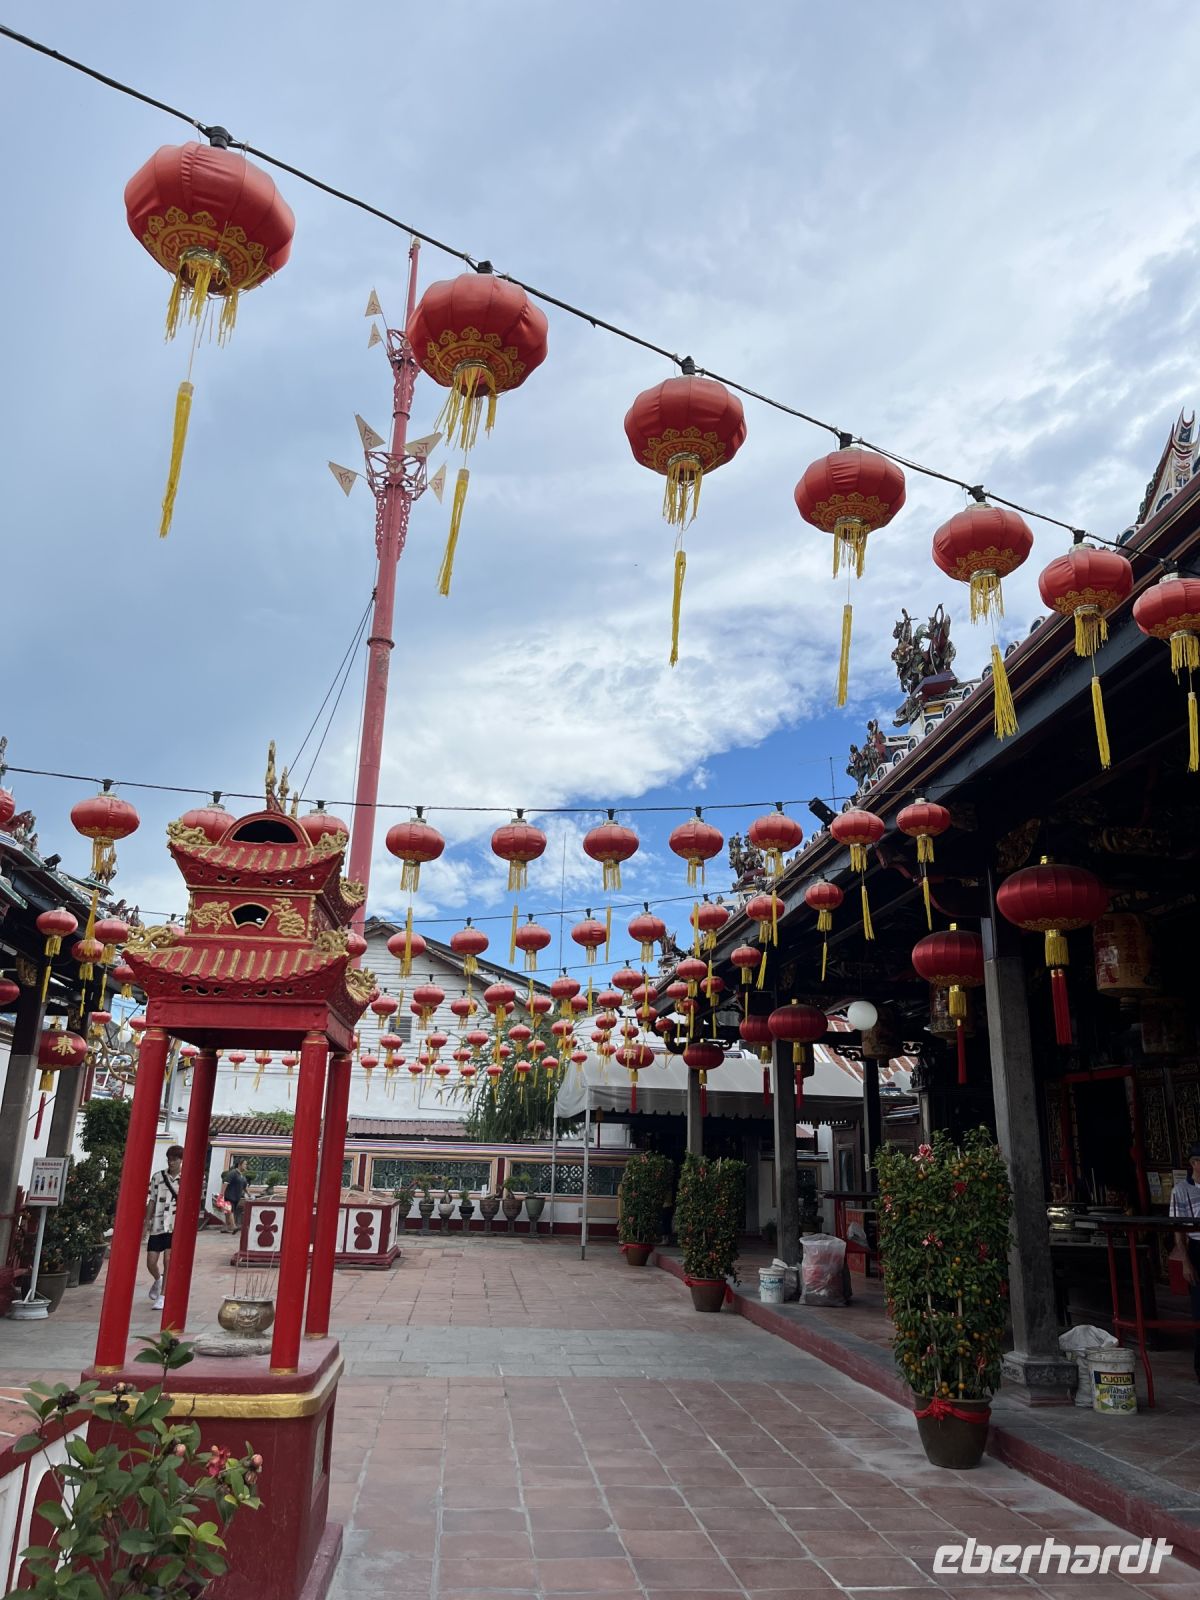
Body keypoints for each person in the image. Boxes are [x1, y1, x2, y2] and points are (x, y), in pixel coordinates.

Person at [1169, 1141, 1200, 1382]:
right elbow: (1178, 1229)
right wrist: (1185, 1260)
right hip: (1197, 1247)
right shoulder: (1181, 1190)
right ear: (1194, 1163)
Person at [144, 1145, 183, 1312]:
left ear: (181, 1160)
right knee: (151, 1261)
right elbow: (152, 1199)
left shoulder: (186, 1178)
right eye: (170, 1158)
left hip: (174, 1224)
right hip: (158, 1224)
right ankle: (157, 1278)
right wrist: (147, 1221)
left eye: (175, 1158)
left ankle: (163, 1295)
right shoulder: (158, 1177)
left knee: (168, 1260)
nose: (171, 1161)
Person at [221, 1158, 250, 1233]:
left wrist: (249, 1194)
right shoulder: (233, 1173)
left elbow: (244, 1186)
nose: (246, 1166)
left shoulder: (242, 1176)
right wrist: (222, 1194)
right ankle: (233, 1226)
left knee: (228, 1211)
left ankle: (226, 1227)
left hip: (236, 1197)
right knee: (230, 1210)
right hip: (229, 1195)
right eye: (245, 1164)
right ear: (240, 1164)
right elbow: (225, 1183)